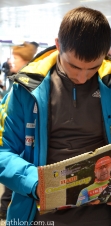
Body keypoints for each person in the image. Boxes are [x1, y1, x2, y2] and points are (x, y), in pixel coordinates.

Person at [0, 6, 111, 226]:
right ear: (58, 44)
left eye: (93, 68)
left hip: (108, 217)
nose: (82, 76)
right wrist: (34, 182)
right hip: (38, 216)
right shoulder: (24, 91)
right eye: (73, 66)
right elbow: (3, 151)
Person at [0, 42, 36, 220]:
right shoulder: (15, 84)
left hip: (23, 157)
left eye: (16, 58)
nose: (11, 61)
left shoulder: (29, 89)